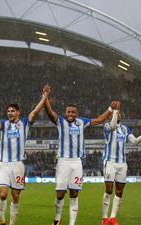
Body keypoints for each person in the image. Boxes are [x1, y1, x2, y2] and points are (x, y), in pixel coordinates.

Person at [43, 84, 115, 225]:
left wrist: (110, 108)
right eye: (68, 112)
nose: (70, 114)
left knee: (74, 194)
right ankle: (57, 219)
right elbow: (50, 111)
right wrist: (45, 96)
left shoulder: (82, 122)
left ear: (76, 113)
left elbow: (99, 119)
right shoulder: (60, 122)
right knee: (60, 194)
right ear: (65, 113)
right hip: (63, 161)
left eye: (73, 112)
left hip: (77, 163)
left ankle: (72, 223)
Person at [0, 86, 47, 225]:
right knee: (3, 194)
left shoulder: (24, 123)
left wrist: (44, 97)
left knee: (15, 196)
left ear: (18, 112)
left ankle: (12, 223)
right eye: (8, 111)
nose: (10, 113)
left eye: (12, 111)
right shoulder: (3, 124)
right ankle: (2, 220)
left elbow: (35, 112)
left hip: (18, 165)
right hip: (4, 164)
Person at [101, 102, 141, 225]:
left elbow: (134, 141)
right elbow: (113, 126)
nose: (118, 114)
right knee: (108, 190)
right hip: (110, 162)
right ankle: (104, 218)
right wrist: (114, 110)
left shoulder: (125, 129)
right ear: (112, 115)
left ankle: (112, 217)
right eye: (116, 113)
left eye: (119, 113)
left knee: (119, 191)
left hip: (122, 164)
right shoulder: (107, 126)